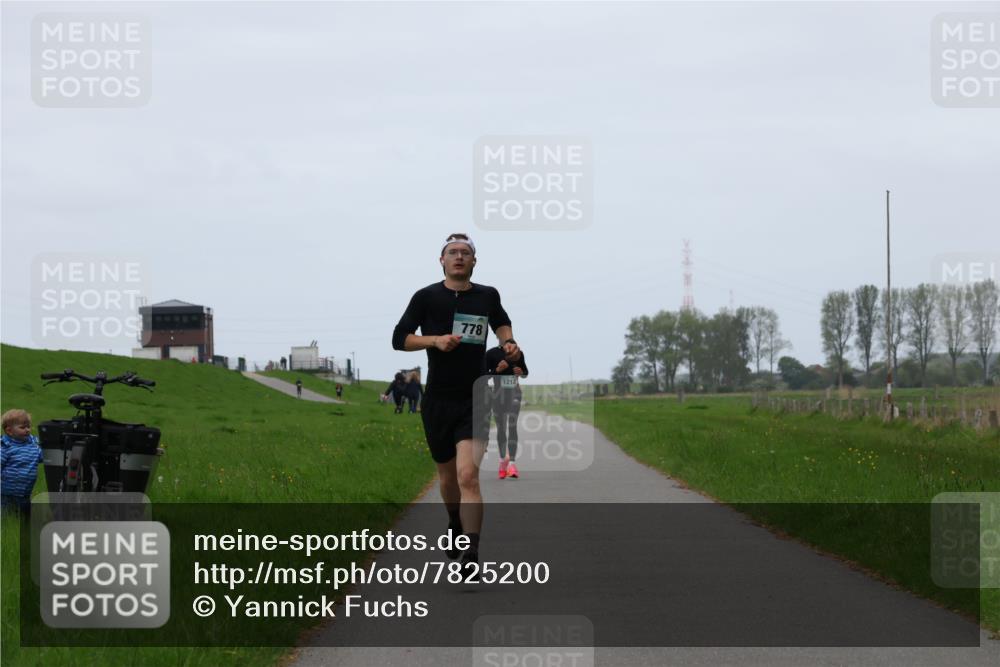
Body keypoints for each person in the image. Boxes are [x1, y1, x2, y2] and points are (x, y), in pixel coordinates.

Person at [392, 232, 522, 571]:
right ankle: (454, 520)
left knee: (468, 476)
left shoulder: (487, 296)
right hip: (438, 400)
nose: (459, 257)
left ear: (474, 261)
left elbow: (501, 322)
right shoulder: (426, 297)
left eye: (466, 252)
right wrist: (435, 341)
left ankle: (472, 553)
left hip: (475, 397)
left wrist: (508, 342)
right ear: (442, 260)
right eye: (453, 252)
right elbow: (399, 338)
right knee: (448, 479)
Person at [486, 346, 528, 479]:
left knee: (512, 425)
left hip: (515, 394)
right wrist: (497, 370)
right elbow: (484, 376)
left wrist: (521, 372)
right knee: (501, 428)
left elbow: (526, 372)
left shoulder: (518, 354)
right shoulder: (492, 354)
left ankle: (512, 464)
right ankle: (502, 461)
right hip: (498, 396)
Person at [1, 409, 43, 518]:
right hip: (7, 491)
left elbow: (42, 457)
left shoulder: (33, 443)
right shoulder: (5, 446)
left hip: (25, 490)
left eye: (28, 426)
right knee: (6, 514)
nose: (27, 430)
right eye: (22, 427)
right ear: (9, 431)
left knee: (24, 515)